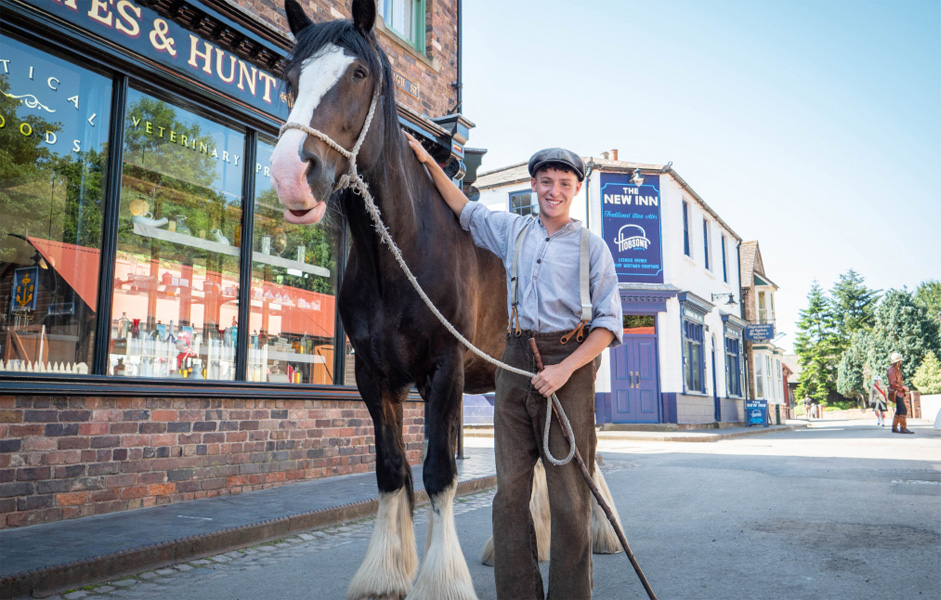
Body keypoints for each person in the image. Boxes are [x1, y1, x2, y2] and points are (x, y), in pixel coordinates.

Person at [406, 132, 622, 599]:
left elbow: (607, 325)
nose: (554, 191)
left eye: (564, 183)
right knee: (508, 499)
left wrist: (564, 371)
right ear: (534, 184)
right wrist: (425, 159)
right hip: (515, 360)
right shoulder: (514, 230)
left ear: (575, 189)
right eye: (546, 182)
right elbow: (465, 210)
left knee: (568, 501)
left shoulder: (592, 247)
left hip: (570, 365)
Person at [887, 352, 913, 434]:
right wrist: (903, 387)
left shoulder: (895, 369)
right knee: (903, 410)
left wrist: (904, 386)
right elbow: (893, 384)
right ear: (897, 361)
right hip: (897, 393)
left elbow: (899, 382)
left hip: (899, 392)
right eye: (900, 361)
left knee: (899, 410)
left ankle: (894, 427)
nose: (901, 362)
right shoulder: (891, 370)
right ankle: (903, 428)